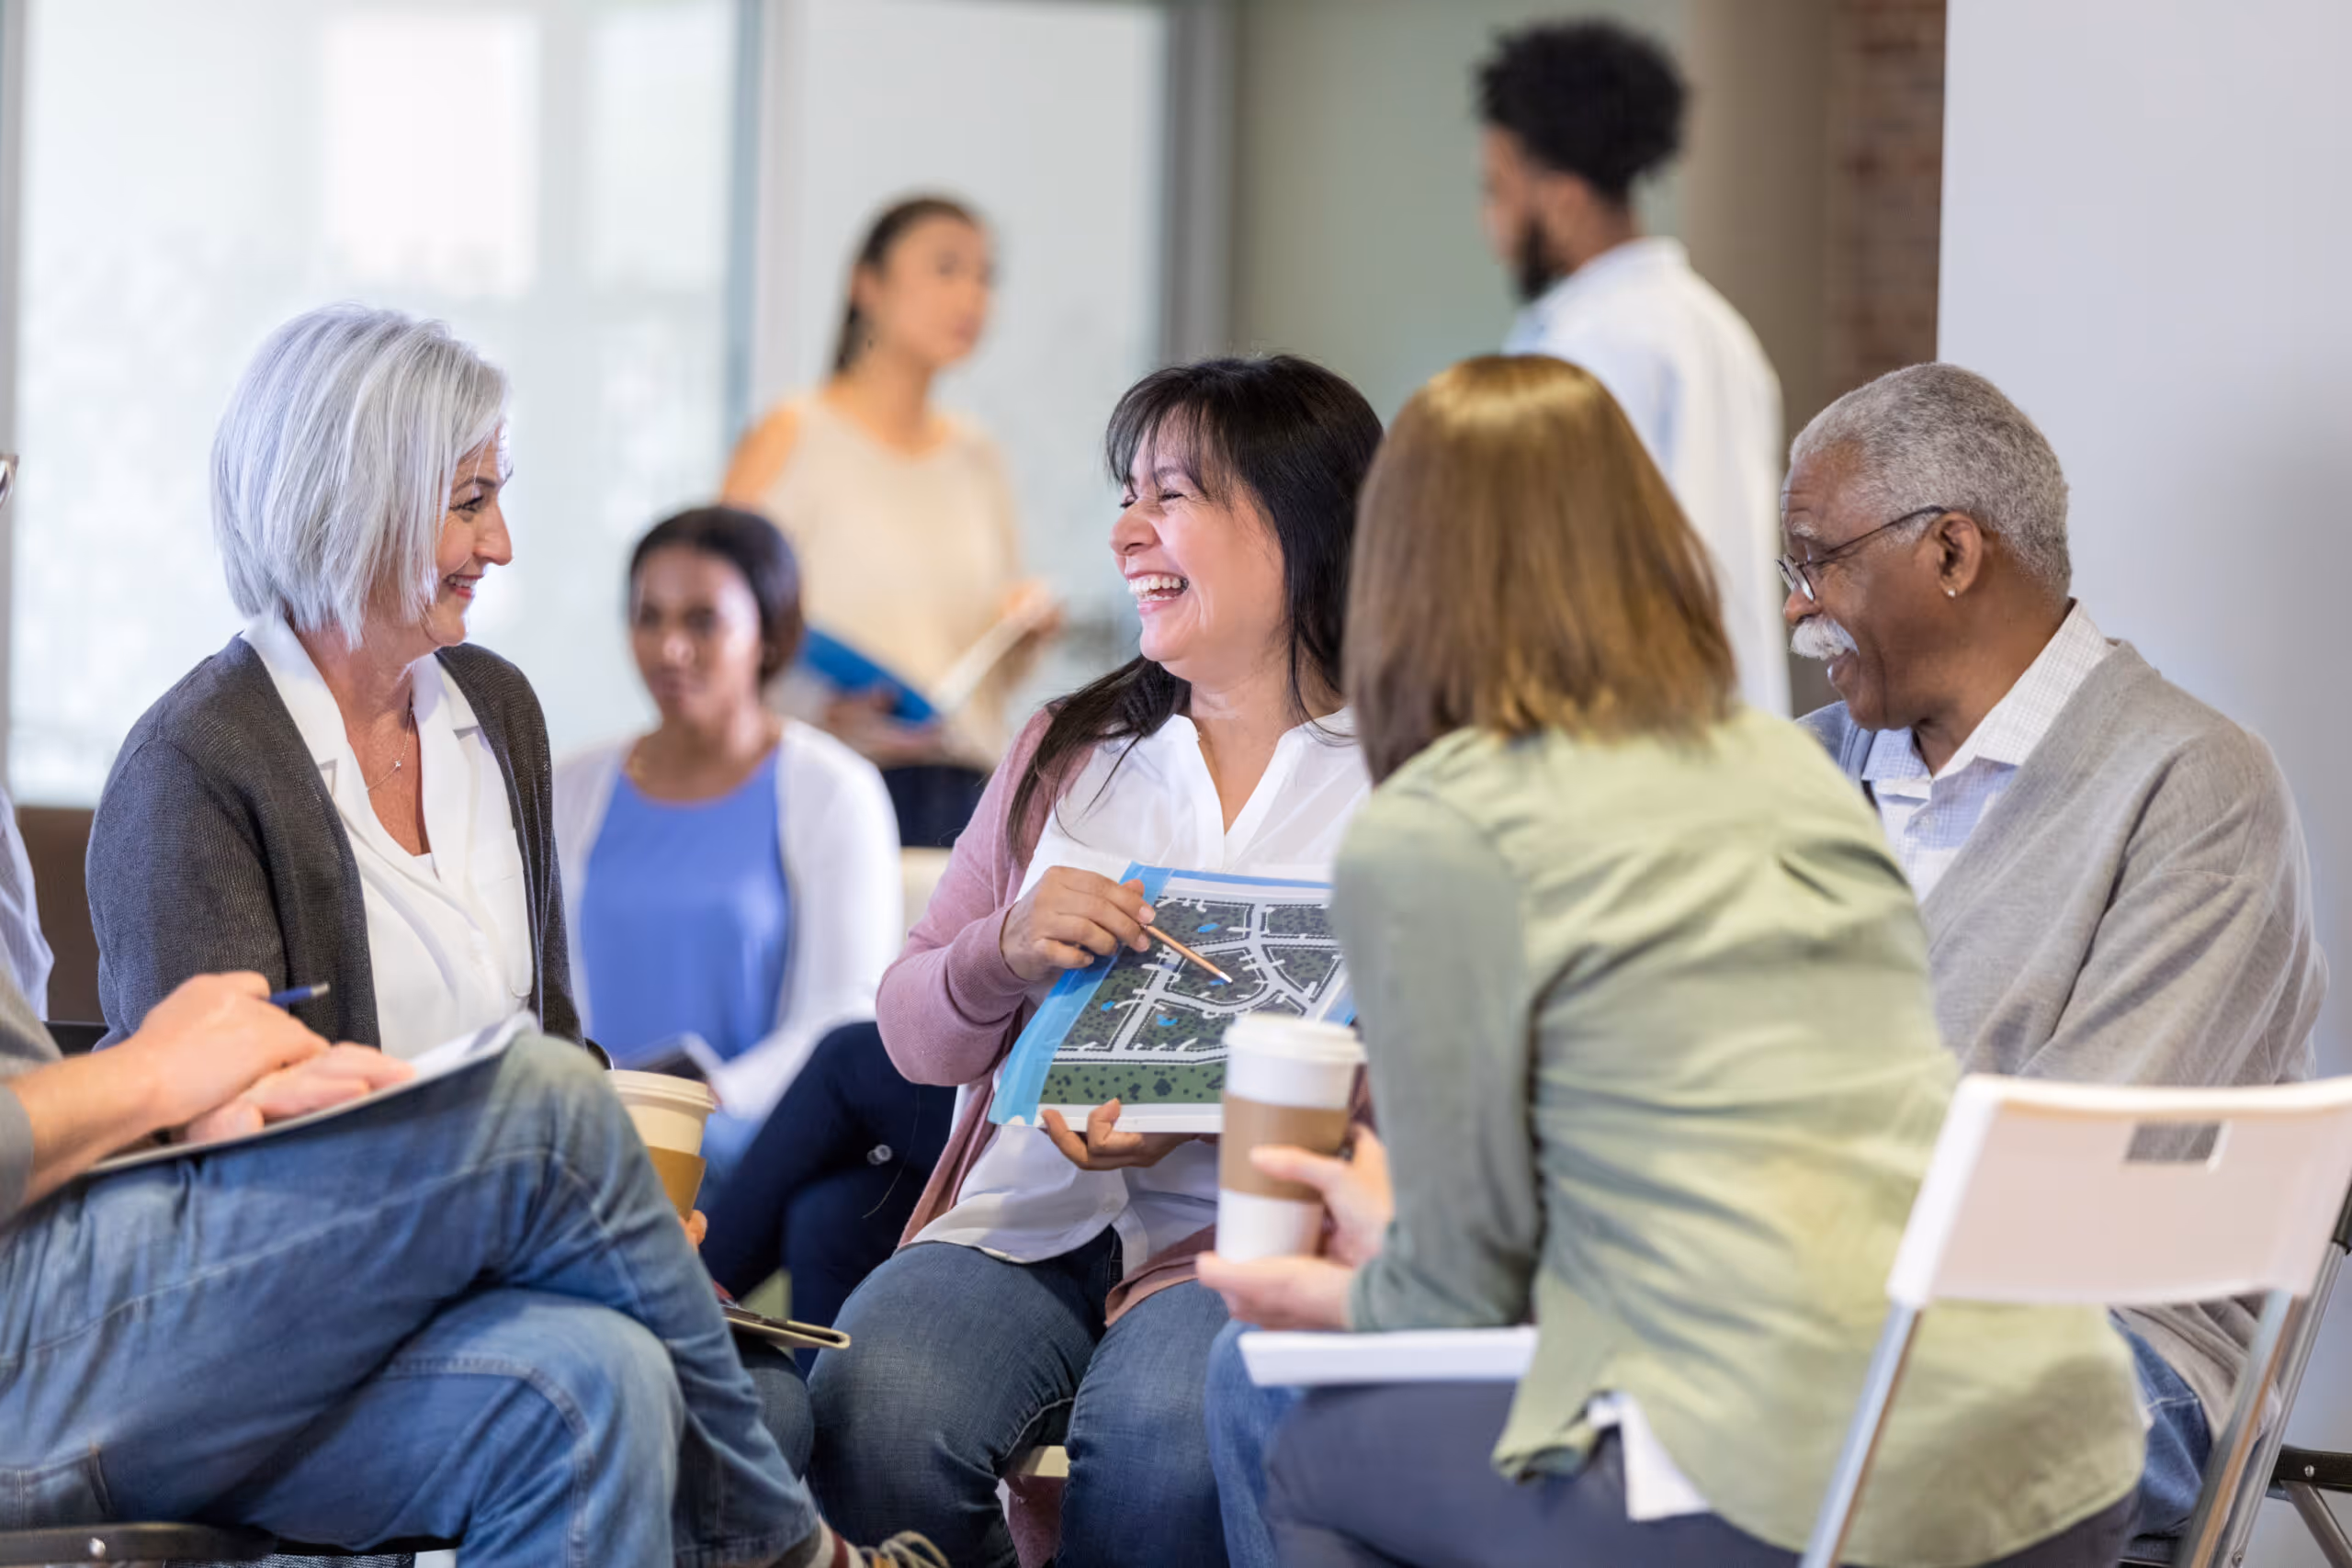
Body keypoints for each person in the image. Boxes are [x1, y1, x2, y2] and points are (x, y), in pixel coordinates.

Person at [1196, 354, 2143, 1568]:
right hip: (2059, 1443)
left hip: (1807, 1492)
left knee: (1280, 1413)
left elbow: (1453, 1298)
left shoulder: (1433, 830)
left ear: (1399, 571)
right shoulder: (1789, 764)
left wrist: (1343, 1289)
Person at [805, 355, 1384, 1568]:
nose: (1126, 532)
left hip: (1240, 1246)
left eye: (1170, 496)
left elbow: (1451, 1086)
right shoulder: (1065, 750)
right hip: (1023, 1220)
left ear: (1300, 524)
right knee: (878, 1398)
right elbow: (911, 1032)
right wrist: (1001, 951)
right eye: (1127, 494)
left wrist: (1209, 1118)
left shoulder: (1410, 781)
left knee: (1170, 1438)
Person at [1780, 361, 2327, 1538]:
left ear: (1951, 555)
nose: (1794, 605)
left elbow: (2068, 1198)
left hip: (2105, 1354)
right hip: (1799, 1320)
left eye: (1816, 557)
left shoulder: (2192, 788)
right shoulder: (1787, 776)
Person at [0, 966, 944, 1568]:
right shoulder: (202, 748)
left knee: (593, 1376)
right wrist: (158, 1070)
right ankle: (779, 1543)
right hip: (31, 1325)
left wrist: (196, 1096)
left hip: (81, 1259)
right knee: (552, 1105)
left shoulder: (494, 717)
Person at [88, 304, 574, 1058]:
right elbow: (223, 1116)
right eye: (470, 502)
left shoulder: (500, 706)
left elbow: (556, 1040)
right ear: (356, 506)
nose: (501, 545)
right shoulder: (191, 765)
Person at [555, 506, 906, 1184]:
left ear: (768, 636)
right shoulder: (572, 788)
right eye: (649, 617)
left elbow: (843, 1017)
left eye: (701, 620)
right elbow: (541, 996)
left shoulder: (834, 789)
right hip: (590, 1128)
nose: (670, 649)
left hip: (751, 1135)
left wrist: (700, 1103)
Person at [722, 196, 1056, 849]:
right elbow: (713, 617)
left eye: (986, 276)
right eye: (946, 268)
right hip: (828, 792)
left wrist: (1023, 631)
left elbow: (984, 669)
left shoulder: (979, 455)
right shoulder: (794, 434)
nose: (972, 295)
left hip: (965, 799)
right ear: (866, 284)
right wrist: (818, 711)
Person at [1478, 20, 1788, 717]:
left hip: (1623, 738)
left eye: (1497, 188)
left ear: (1562, 196)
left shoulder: (1585, 349)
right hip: (1728, 735)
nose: (1489, 223)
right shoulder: (1717, 329)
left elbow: (1556, 583)